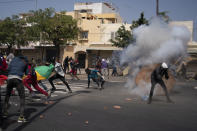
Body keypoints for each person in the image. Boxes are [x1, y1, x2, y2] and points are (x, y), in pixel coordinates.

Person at [2, 52, 28, 122]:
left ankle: (4, 113)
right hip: (18, 79)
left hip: (10, 79)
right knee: (22, 97)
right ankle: (21, 117)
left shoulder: (13, 60)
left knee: (7, 96)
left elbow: (8, 69)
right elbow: (27, 73)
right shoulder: (25, 61)